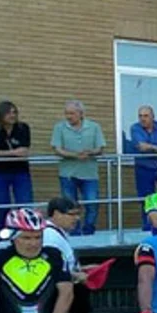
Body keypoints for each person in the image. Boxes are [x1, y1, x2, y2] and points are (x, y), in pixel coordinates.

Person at [43, 197, 93, 313]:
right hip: (64, 303)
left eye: (78, 214)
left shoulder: (58, 234)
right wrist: (76, 276)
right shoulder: (50, 237)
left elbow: (64, 266)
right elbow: (50, 272)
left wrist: (82, 269)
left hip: (73, 300)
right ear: (56, 214)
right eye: (72, 214)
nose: (76, 219)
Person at [51, 100, 106, 235]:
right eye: (66, 113)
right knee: (69, 206)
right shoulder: (59, 127)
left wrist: (90, 152)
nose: (68, 116)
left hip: (89, 174)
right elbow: (57, 149)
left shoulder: (94, 127)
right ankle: (74, 232)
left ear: (81, 114)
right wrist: (75, 155)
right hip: (68, 174)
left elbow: (100, 148)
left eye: (72, 113)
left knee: (92, 204)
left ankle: (88, 231)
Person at [0, 100, 34, 230]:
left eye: (14, 112)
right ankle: (4, 232)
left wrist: (0, 153)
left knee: (25, 204)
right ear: (0, 114)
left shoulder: (23, 128)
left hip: (21, 172)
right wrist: (13, 153)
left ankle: (26, 232)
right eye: (9, 113)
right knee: (2, 205)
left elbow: (24, 151)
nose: (13, 115)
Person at [127, 105, 157, 227]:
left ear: (153, 117)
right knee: (146, 199)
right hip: (144, 168)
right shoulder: (135, 128)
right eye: (140, 116)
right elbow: (141, 147)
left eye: (146, 116)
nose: (142, 119)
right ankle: (148, 227)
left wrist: (151, 147)